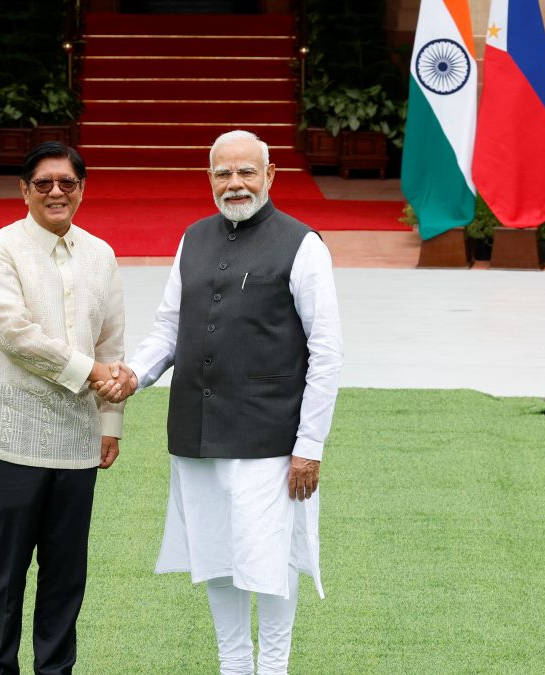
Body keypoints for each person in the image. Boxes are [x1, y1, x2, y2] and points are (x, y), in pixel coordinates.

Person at [98, 129, 344, 675]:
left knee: (270, 559)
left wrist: (309, 445)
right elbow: (169, 328)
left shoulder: (303, 245)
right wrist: (135, 375)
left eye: (246, 172)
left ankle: (274, 667)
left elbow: (328, 351)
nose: (235, 183)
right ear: (209, 178)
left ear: (270, 175)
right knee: (217, 555)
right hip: (198, 431)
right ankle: (232, 665)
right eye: (223, 173)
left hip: (271, 438)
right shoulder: (193, 238)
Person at [0, 141, 134, 675]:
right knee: (6, 574)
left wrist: (110, 422)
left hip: (79, 441)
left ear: (82, 189)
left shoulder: (101, 255)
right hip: (13, 436)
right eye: (44, 183)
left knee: (66, 575)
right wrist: (92, 373)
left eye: (67, 182)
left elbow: (111, 342)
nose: (56, 192)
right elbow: (15, 335)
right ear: (24, 190)